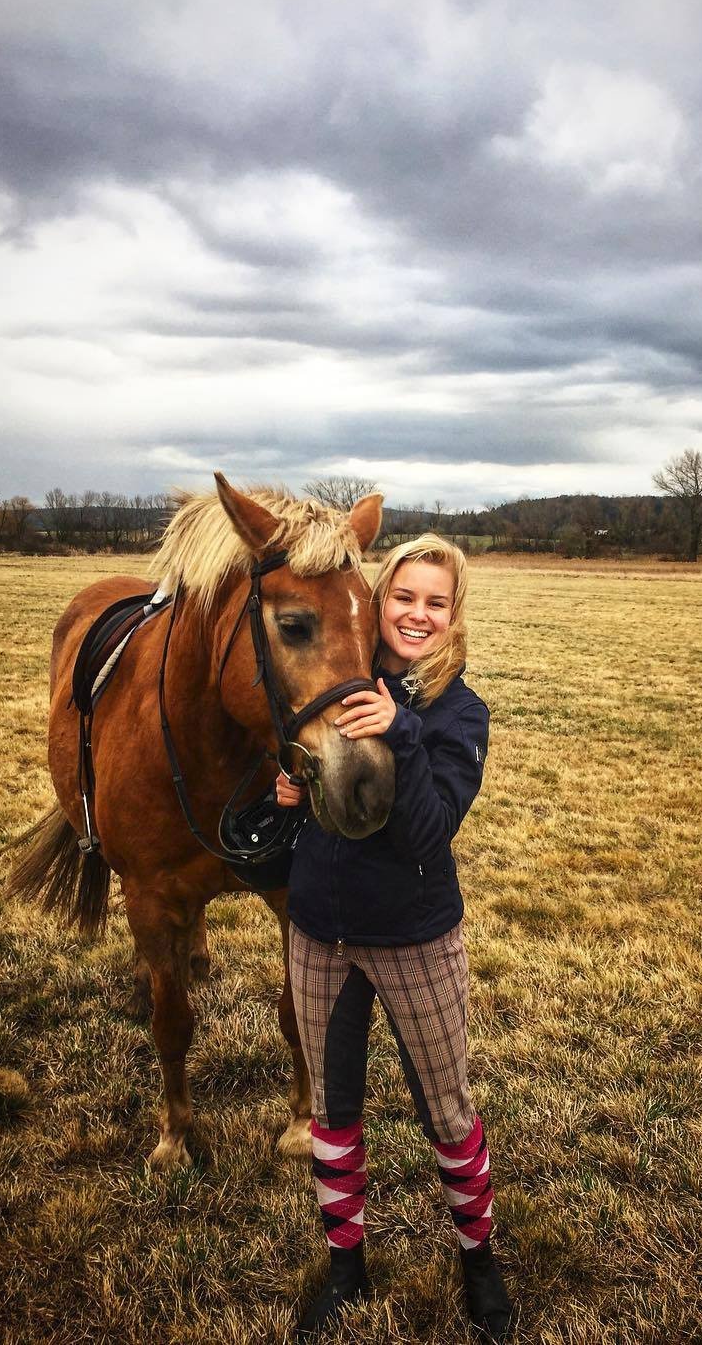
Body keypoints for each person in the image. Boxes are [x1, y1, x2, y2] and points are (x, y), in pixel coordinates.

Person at [277, 533, 515, 1342]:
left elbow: (426, 834)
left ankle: (478, 1267)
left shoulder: (459, 713)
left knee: (447, 1113)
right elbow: (294, 820)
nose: (416, 614)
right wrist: (284, 793)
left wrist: (402, 731)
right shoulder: (336, 685)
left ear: (454, 617)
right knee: (334, 1115)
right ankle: (346, 1270)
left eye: (435, 603)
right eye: (403, 597)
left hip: (414, 939)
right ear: (379, 602)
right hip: (319, 937)